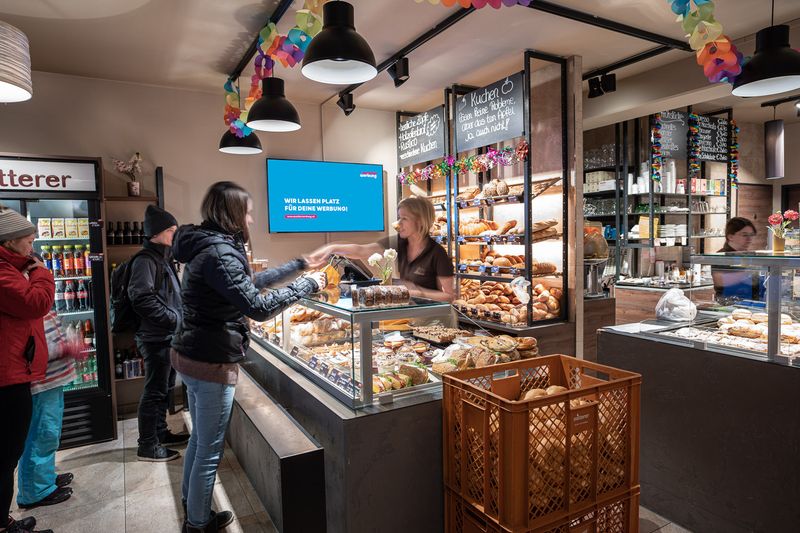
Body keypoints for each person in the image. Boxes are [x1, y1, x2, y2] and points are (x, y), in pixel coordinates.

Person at [170, 181, 326, 533]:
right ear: (232, 213)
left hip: (191, 353)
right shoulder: (219, 252)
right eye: (248, 211)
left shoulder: (208, 245)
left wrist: (299, 265)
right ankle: (197, 523)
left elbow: (248, 282)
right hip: (209, 360)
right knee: (210, 448)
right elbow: (257, 306)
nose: (251, 218)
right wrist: (307, 286)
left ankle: (190, 502)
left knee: (199, 439)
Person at [0, 207, 55, 533]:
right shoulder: (4, 272)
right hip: (7, 376)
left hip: (14, 370)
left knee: (7, 456)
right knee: (6, 457)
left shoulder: (11, 268)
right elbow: (35, 303)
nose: (33, 245)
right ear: (10, 241)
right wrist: (42, 273)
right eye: (28, 239)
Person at [307, 196, 455, 302]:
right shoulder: (400, 243)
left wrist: (417, 293)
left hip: (437, 322)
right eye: (399, 218)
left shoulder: (437, 253)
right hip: (413, 318)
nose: (397, 224)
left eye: (404, 218)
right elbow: (361, 250)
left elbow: (449, 296)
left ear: (420, 221)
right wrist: (332, 247)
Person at [129, 205, 188, 462]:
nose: (175, 235)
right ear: (156, 234)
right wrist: (174, 319)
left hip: (166, 336)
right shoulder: (145, 260)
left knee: (164, 388)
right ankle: (147, 445)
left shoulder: (162, 258)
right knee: (154, 391)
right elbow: (141, 298)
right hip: (155, 338)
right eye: (171, 230)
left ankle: (161, 433)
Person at [16, 310, 80, 511]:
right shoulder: (23, 301)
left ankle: (45, 478)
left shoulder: (33, 299)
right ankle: (35, 492)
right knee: (41, 436)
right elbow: (32, 348)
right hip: (41, 385)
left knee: (49, 434)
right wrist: (65, 348)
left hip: (51, 383)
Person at [712, 217, 761, 301]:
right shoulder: (721, 256)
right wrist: (748, 271)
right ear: (730, 236)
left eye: (751, 235)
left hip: (752, 303)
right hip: (728, 304)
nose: (749, 239)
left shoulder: (750, 255)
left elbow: (754, 283)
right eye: (744, 235)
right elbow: (721, 282)